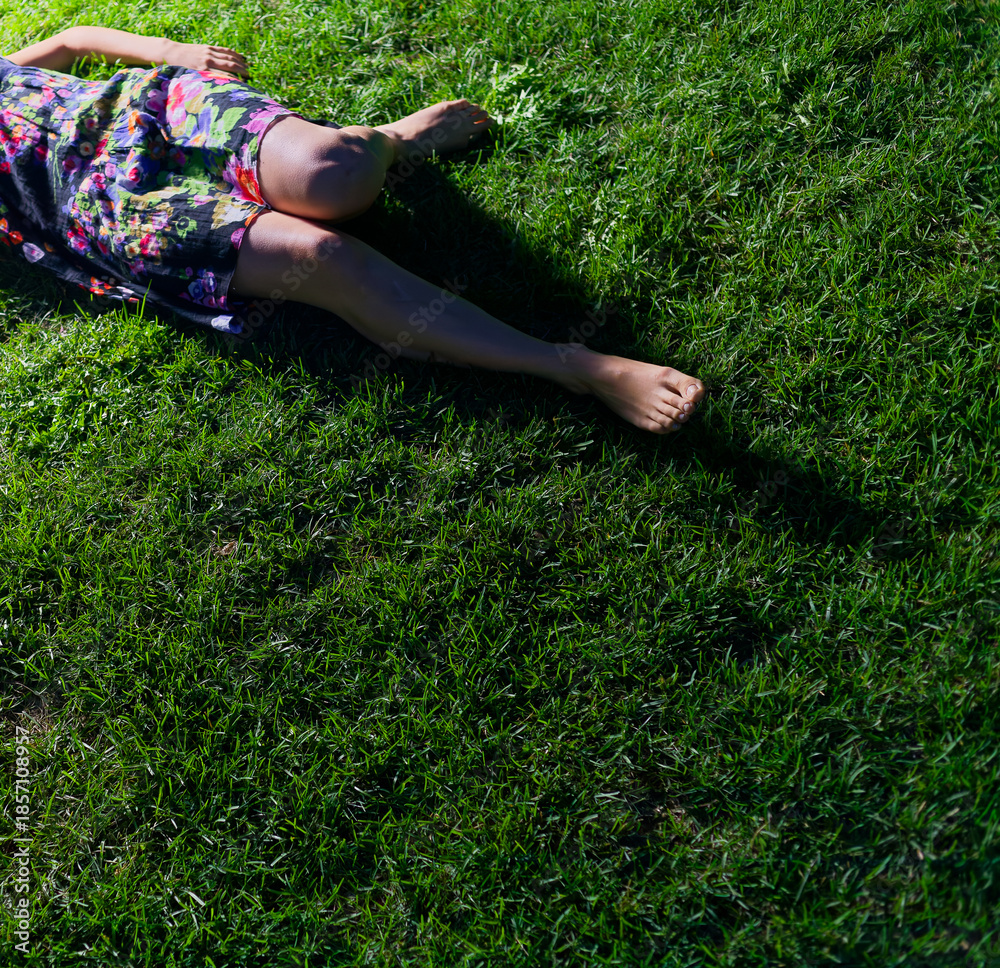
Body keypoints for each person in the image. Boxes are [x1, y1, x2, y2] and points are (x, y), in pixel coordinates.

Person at [0, 26, 704, 433]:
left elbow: (65, 43)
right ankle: (579, 367)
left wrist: (167, 50)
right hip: (102, 203)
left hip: (151, 109)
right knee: (321, 255)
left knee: (334, 172)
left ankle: (391, 142)